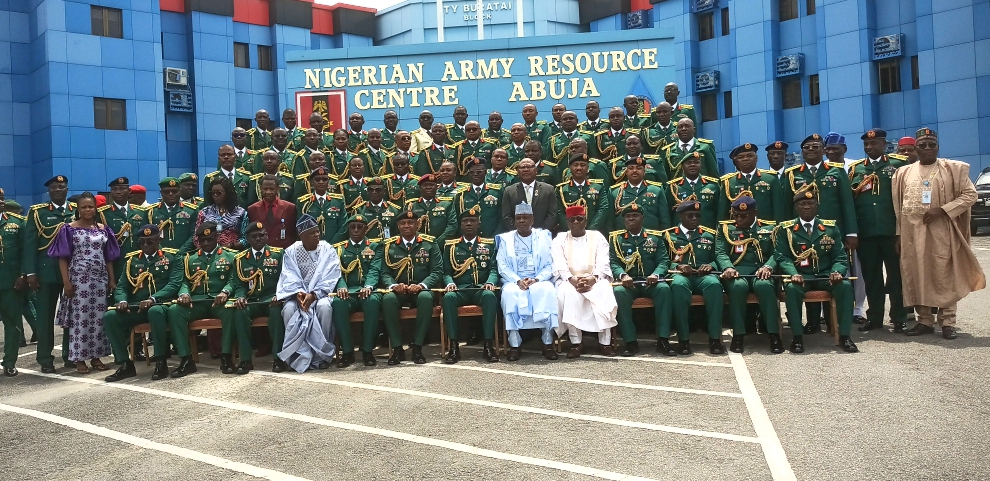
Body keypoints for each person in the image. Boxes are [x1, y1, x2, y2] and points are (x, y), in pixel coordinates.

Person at [892, 128, 986, 339]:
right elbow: (898, 208)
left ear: (938, 147)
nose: (926, 149)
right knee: (917, 274)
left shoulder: (952, 169)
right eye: (922, 145)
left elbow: (970, 195)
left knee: (944, 274)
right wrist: (899, 234)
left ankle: (948, 322)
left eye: (931, 145)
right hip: (911, 234)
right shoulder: (903, 173)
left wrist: (943, 210)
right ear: (915, 148)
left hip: (941, 232)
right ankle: (924, 321)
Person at [782, 133, 858, 334]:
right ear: (802, 152)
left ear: (823, 151)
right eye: (807, 148)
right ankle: (813, 321)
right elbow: (785, 207)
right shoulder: (792, 174)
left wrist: (851, 232)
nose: (811, 150)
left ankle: (834, 322)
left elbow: (847, 203)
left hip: (832, 233)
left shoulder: (836, 171)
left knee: (832, 274)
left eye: (816, 147)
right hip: (801, 235)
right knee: (806, 272)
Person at [774, 186, 858, 353]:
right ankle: (797, 337)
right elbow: (782, 257)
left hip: (825, 275)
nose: (807, 207)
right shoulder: (786, 229)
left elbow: (840, 257)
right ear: (796, 207)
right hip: (801, 276)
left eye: (810, 203)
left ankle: (845, 336)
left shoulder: (830, 228)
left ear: (817, 205)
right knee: (791, 288)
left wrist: (837, 272)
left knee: (846, 287)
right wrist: (793, 274)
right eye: (802, 204)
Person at [49, 192, 121, 374]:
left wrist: (111, 280)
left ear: (96, 208)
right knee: (80, 320)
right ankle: (79, 359)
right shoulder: (69, 229)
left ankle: (96, 357)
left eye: (91, 206)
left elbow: (109, 257)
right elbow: (62, 259)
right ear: (78, 209)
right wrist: (66, 282)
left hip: (100, 280)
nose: (88, 210)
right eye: (84, 207)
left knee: (98, 320)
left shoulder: (103, 229)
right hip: (78, 280)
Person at [848, 129, 909, 332]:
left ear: (884, 144)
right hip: (867, 234)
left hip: (892, 232)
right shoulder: (856, 170)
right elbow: (852, 203)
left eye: (874, 144)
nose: (869, 147)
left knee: (896, 277)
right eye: (866, 144)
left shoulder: (899, 165)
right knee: (871, 277)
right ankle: (874, 318)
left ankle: (899, 317)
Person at [104, 225, 182, 382]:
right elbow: (122, 287)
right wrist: (122, 300)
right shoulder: (132, 260)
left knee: (155, 312)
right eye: (142, 242)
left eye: (150, 242)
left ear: (159, 240)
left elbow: (174, 284)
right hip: (137, 306)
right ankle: (125, 364)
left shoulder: (172, 257)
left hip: (160, 305)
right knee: (110, 317)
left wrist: (153, 299)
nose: (146, 245)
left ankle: (161, 362)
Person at [166, 222, 236, 377]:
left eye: (210, 239)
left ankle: (226, 357)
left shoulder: (230, 256)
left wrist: (226, 292)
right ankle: (186, 359)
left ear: (216, 237)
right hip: (196, 302)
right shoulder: (190, 259)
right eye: (202, 240)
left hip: (219, 301)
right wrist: (184, 294)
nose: (206, 243)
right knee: (174, 311)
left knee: (231, 311)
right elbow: (184, 281)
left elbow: (234, 279)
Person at [716, 196, 783, 354]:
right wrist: (728, 267)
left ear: (755, 213)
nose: (739, 219)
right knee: (738, 287)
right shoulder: (726, 229)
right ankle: (738, 335)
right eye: (736, 215)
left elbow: (778, 252)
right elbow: (720, 252)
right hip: (737, 271)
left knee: (765, 286)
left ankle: (774, 335)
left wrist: (768, 266)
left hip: (761, 271)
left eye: (744, 216)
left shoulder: (770, 228)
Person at [276, 214, 341, 372]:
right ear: (302, 236)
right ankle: (296, 355)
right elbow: (288, 276)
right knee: (289, 310)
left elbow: (332, 275)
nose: (317, 235)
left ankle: (322, 356)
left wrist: (314, 295)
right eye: (312, 233)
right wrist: (298, 293)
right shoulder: (291, 252)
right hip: (296, 295)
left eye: (317, 231)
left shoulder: (327, 249)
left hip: (320, 295)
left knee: (325, 308)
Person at [551, 205, 618, 358]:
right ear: (567, 223)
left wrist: (592, 279)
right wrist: (572, 279)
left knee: (604, 291)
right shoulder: (560, 239)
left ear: (585, 221)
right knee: (567, 293)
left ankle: (605, 343)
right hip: (569, 280)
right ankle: (576, 343)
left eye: (579, 219)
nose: (576, 222)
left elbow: (603, 263)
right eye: (572, 220)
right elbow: (559, 264)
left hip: (594, 279)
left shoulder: (597, 236)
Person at [25, 175, 75, 373]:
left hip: (72, 271)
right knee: (45, 316)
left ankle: (71, 354)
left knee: (72, 315)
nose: (58, 190)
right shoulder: (38, 212)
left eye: (61, 187)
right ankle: (45, 358)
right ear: (49, 191)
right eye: (54, 187)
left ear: (66, 189)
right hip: (46, 271)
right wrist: (30, 272)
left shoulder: (75, 210)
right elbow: (30, 245)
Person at [380, 210, 443, 365]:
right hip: (399, 290)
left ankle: (417, 347)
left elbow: (437, 271)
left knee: (426, 297)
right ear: (398, 226)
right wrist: (393, 285)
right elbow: (384, 272)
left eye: (410, 223)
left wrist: (422, 285)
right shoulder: (389, 246)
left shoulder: (429, 243)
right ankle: (397, 348)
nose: (406, 226)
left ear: (417, 225)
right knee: (388, 299)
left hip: (420, 289)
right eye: (402, 223)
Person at [496, 203, 558, 361]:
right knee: (509, 293)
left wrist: (536, 279)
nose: (522, 221)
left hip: (538, 278)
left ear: (533, 220)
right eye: (518, 218)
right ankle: (515, 345)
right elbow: (502, 266)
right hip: (514, 280)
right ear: (514, 221)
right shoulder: (506, 239)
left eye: (525, 218)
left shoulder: (544, 237)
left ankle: (548, 343)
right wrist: (517, 281)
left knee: (547, 290)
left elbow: (550, 264)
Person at [610, 203, 672, 356]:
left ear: (642, 218)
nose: (631, 218)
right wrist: (623, 275)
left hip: (649, 281)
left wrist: (656, 275)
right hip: (628, 282)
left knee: (664, 290)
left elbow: (664, 261)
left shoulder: (655, 237)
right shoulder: (616, 239)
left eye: (635, 216)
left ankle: (663, 340)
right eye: (628, 216)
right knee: (618, 292)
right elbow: (613, 262)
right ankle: (630, 342)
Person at [441, 206, 500, 363]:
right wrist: (450, 283)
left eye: (472, 221)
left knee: (489, 296)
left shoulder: (489, 244)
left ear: (478, 224)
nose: (469, 224)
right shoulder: (451, 246)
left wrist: (490, 282)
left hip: (480, 288)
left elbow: (494, 268)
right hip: (460, 290)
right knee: (448, 298)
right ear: (460, 225)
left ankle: (488, 345)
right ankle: (454, 347)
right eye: (465, 221)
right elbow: (446, 271)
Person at [664, 200, 724, 355]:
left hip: (703, 276)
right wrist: (676, 266)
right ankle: (683, 340)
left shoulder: (709, 235)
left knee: (715, 285)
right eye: (689, 215)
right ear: (680, 216)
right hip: (681, 276)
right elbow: (663, 260)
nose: (694, 219)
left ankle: (715, 339)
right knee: (678, 286)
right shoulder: (669, 235)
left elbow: (718, 257)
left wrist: (711, 265)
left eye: (697, 215)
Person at [231, 222, 286, 374]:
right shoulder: (240, 258)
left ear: (266, 236)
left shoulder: (278, 254)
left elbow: (286, 278)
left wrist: (279, 294)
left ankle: (278, 359)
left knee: (277, 312)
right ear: (248, 239)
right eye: (254, 236)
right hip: (252, 300)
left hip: (272, 299)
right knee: (240, 312)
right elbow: (239, 284)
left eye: (261, 235)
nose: (258, 239)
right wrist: (240, 297)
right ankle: (245, 360)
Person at [825, 131, 867, 324]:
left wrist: (852, 231)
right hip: (830, 228)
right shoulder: (824, 169)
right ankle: (831, 311)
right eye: (829, 149)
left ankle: (857, 309)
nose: (832, 152)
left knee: (856, 270)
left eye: (836, 148)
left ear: (845, 149)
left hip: (853, 226)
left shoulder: (856, 167)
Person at [331, 215, 384, 367]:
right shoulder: (339, 249)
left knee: (373, 302)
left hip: (368, 290)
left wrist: (368, 286)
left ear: (366, 229)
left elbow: (375, 269)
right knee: (337, 303)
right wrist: (341, 286)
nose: (355, 230)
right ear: (348, 228)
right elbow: (336, 272)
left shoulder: (375, 246)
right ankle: (347, 352)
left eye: (359, 227)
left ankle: (368, 351)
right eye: (352, 227)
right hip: (348, 292)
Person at [100, 176, 149, 284]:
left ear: (129, 191)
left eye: (122, 189)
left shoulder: (141, 212)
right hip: (115, 262)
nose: (118, 192)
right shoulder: (103, 213)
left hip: (137, 260)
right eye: (115, 189)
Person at [719, 143, 785, 222]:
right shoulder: (729, 182)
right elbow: (722, 212)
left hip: (765, 230)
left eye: (750, 156)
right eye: (741, 157)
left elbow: (778, 209)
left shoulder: (770, 179)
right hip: (738, 229)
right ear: (736, 161)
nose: (745, 159)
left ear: (756, 158)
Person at [0, 196, 26, 376]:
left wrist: (23, 275)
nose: (1, 202)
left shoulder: (17, 223)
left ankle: (9, 362)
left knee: (12, 324)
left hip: (10, 282)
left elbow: (26, 250)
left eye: (1, 198)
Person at [608, 156, 671, 231]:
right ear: (626, 172)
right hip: (623, 239)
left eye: (639, 168)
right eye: (631, 168)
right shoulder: (615, 192)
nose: (634, 171)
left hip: (651, 239)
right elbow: (609, 222)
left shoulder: (656, 190)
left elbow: (664, 220)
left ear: (644, 172)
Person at [501, 158, 558, 232]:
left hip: (542, 236)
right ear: (518, 171)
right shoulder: (509, 191)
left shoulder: (548, 189)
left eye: (529, 167)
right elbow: (507, 217)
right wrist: (521, 232)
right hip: (517, 236)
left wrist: (539, 232)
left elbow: (552, 215)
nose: (526, 169)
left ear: (536, 170)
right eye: (522, 167)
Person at [451, 158, 503, 238]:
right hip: (469, 240)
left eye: (479, 172)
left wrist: (495, 238)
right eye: (472, 172)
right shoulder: (461, 194)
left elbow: (501, 218)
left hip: (492, 238)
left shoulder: (497, 192)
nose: (475, 174)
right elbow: (457, 221)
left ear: (485, 172)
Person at [556, 154, 608, 231]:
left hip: (593, 232)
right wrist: (571, 229)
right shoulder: (561, 190)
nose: (579, 168)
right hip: (570, 232)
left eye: (583, 165)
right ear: (570, 168)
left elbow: (603, 209)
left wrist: (591, 230)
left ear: (587, 168)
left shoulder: (598, 187)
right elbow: (559, 212)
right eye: (575, 165)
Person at [666, 154, 720, 229]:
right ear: (682, 166)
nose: (692, 165)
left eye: (696, 162)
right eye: (689, 163)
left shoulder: (713, 185)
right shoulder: (673, 187)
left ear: (701, 165)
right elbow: (667, 214)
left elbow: (719, 213)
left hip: (707, 234)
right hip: (680, 235)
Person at [296, 166, 348, 243]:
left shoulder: (338, 201)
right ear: (312, 182)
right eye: (317, 179)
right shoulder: (304, 202)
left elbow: (343, 226)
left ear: (328, 181)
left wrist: (331, 246)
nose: (321, 182)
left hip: (333, 246)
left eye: (324, 179)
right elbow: (300, 227)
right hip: (311, 246)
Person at [196, 176, 248, 251]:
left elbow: (246, 238)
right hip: (208, 253)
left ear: (228, 193)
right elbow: (196, 236)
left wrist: (231, 245)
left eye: (219, 193)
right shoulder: (205, 212)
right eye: (213, 193)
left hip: (232, 252)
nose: (215, 195)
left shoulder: (241, 212)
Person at [149, 177, 199, 253]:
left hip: (184, 255)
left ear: (180, 191)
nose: (171, 194)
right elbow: (148, 235)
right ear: (161, 192)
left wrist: (181, 252)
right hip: (159, 255)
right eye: (167, 192)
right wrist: (161, 251)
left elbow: (194, 235)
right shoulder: (151, 212)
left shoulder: (192, 211)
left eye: (174, 191)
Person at [403, 174, 456, 245]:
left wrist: (437, 243)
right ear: (420, 188)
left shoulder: (446, 204)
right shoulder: (411, 206)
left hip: (441, 246)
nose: (428, 187)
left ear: (436, 187)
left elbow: (452, 226)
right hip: (418, 246)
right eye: (425, 185)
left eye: (431, 185)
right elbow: (406, 227)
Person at [247, 175, 297, 249]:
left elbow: (293, 233)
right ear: (260, 188)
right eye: (265, 189)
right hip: (263, 251)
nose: (268, 192)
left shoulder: (290, 207)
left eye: (272, 189)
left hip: (284, 251)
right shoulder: (252, 209)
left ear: (278, 188)